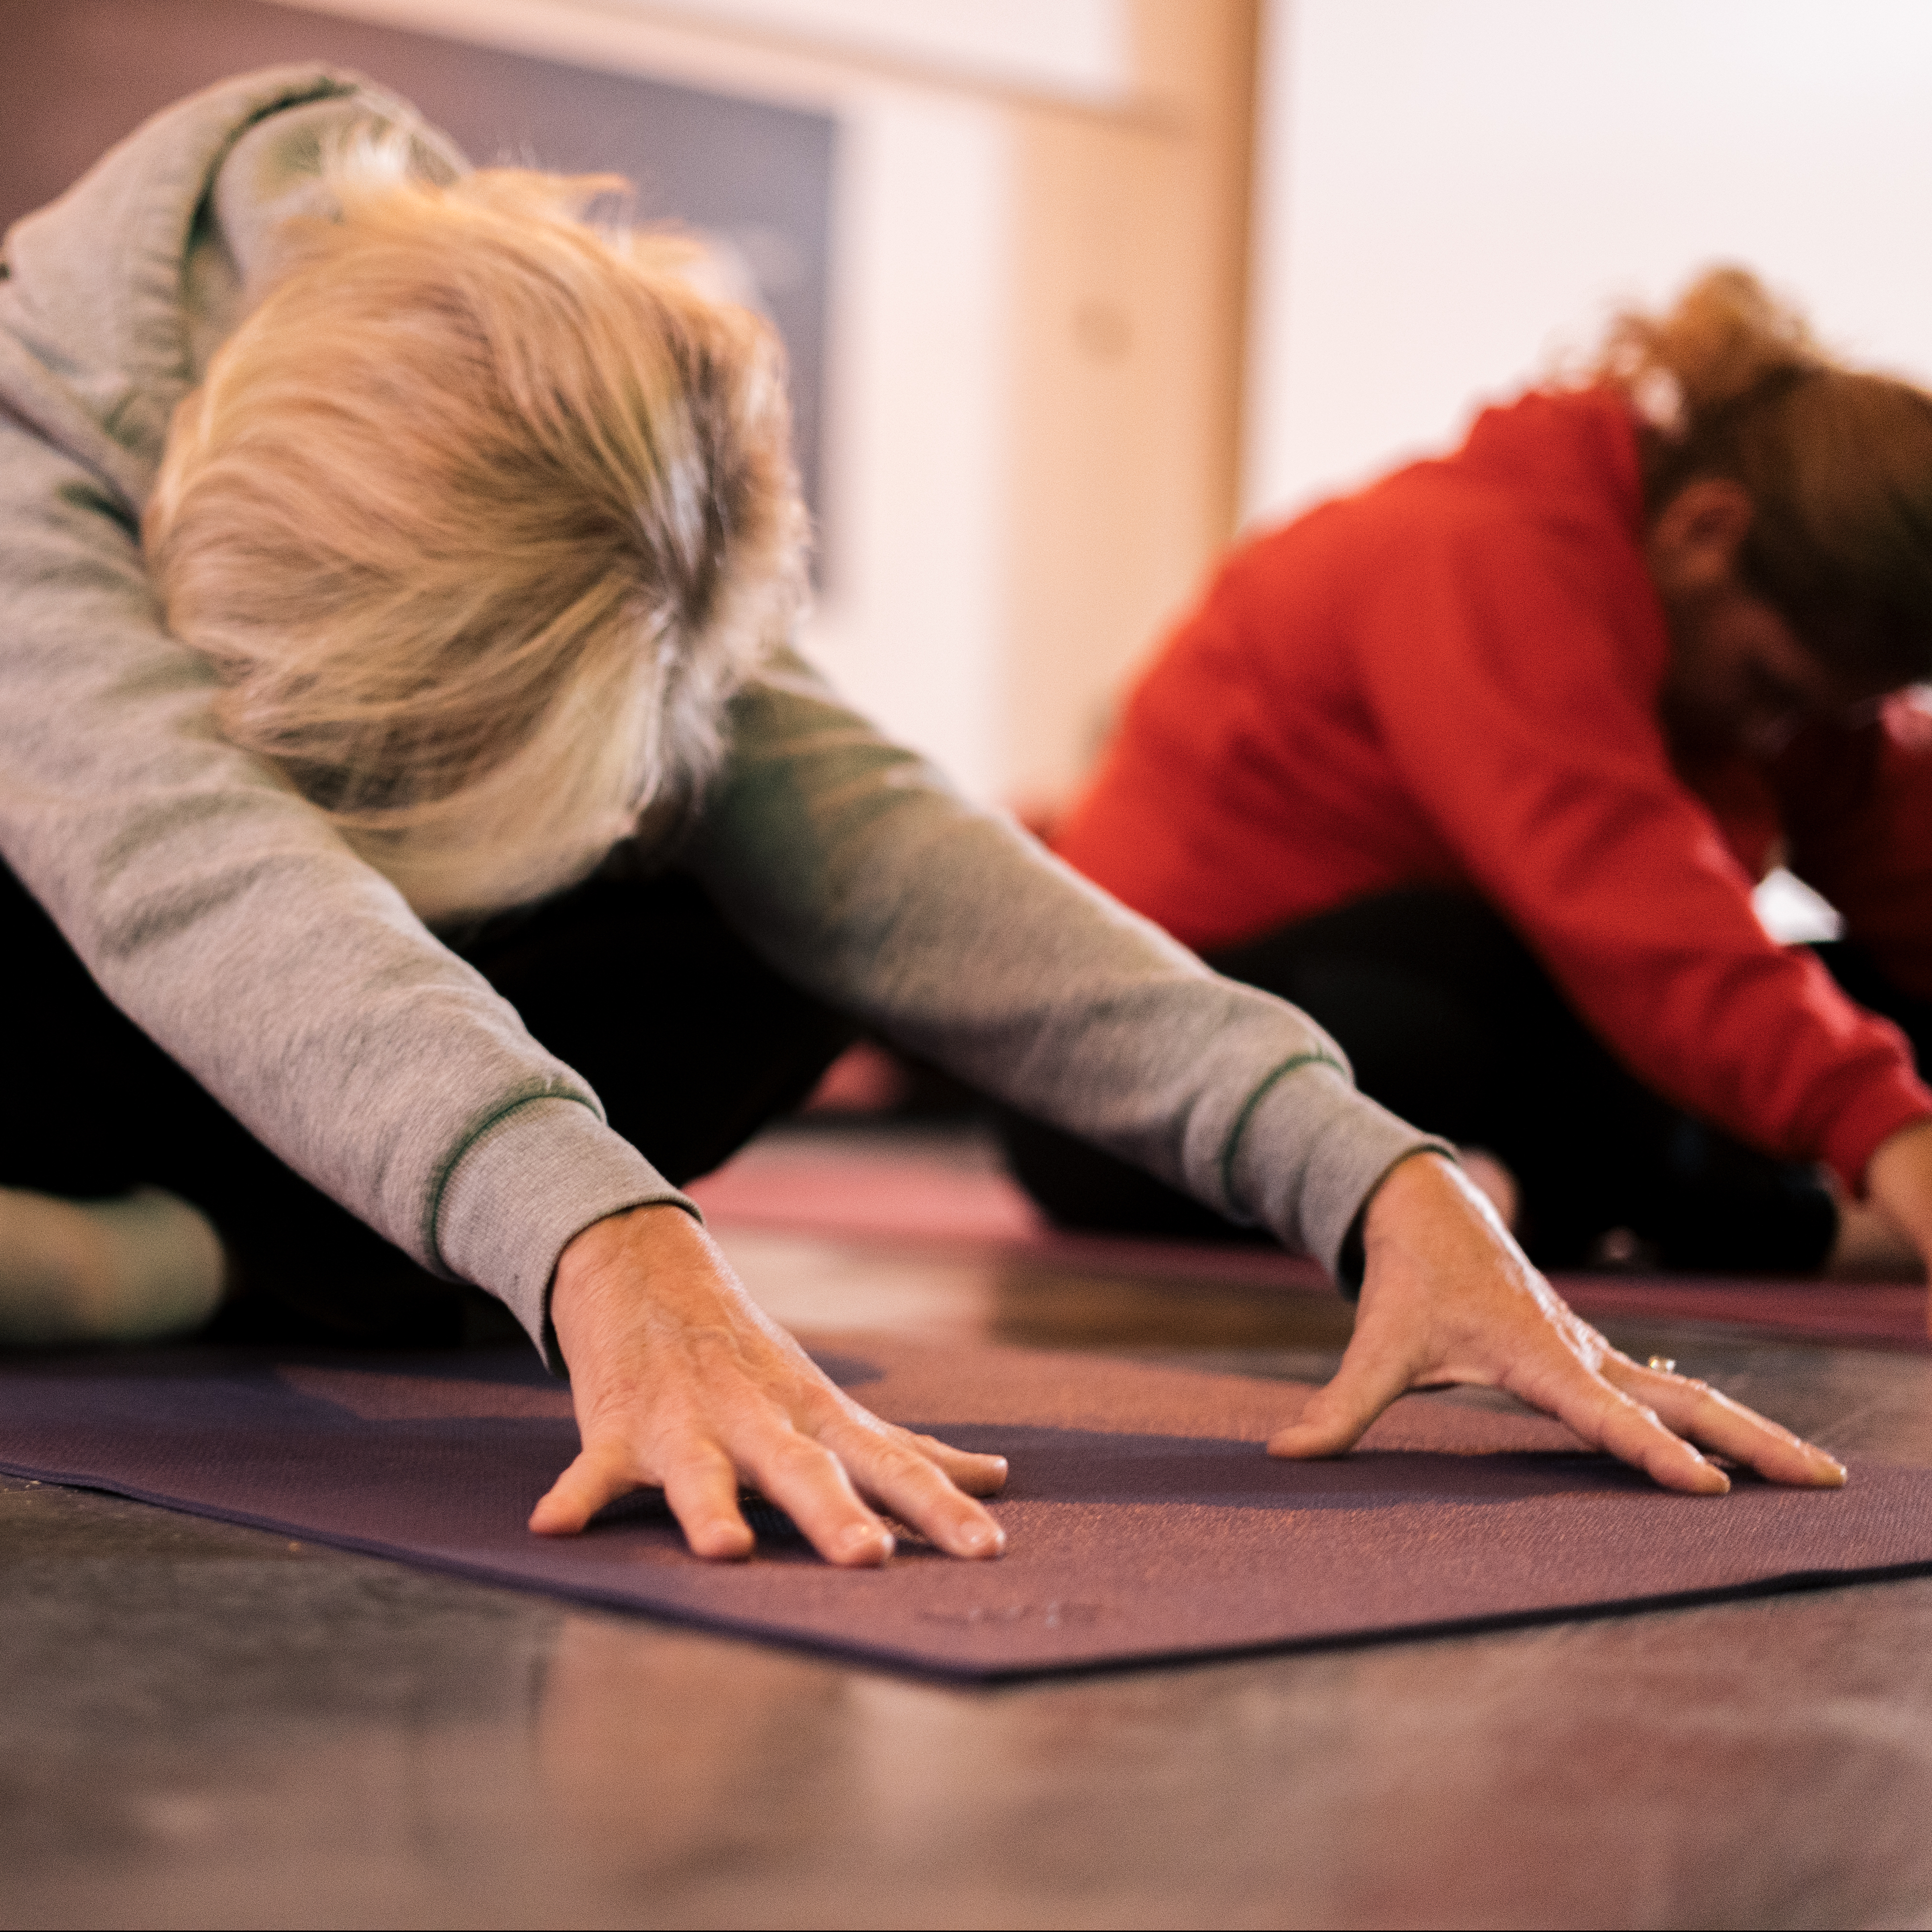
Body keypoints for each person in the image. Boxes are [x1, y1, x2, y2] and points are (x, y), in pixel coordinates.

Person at [0, 69, 1843, 1571]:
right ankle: (173, 1231)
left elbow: (902, 861)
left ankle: (186, 1254)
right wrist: (607, 1246)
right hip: (99, 954)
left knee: (770, 912)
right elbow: (208, 885)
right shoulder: (35, 453)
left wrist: (1374, 1172)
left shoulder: (533, 407)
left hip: (289, 1065)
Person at [1035, 269, 1932, 1286]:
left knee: (1838, 992)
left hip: (1449, 1038)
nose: (1784, 734)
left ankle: (1586, 1191)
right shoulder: (1474, 551)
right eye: (1771, 687)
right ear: (1705, 531)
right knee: (1501, 975)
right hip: (1123, 1089)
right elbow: (1620, 889)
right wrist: (1889, 1131)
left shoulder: (1768, 672)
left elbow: (1901, 842)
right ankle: (1770, 1215)